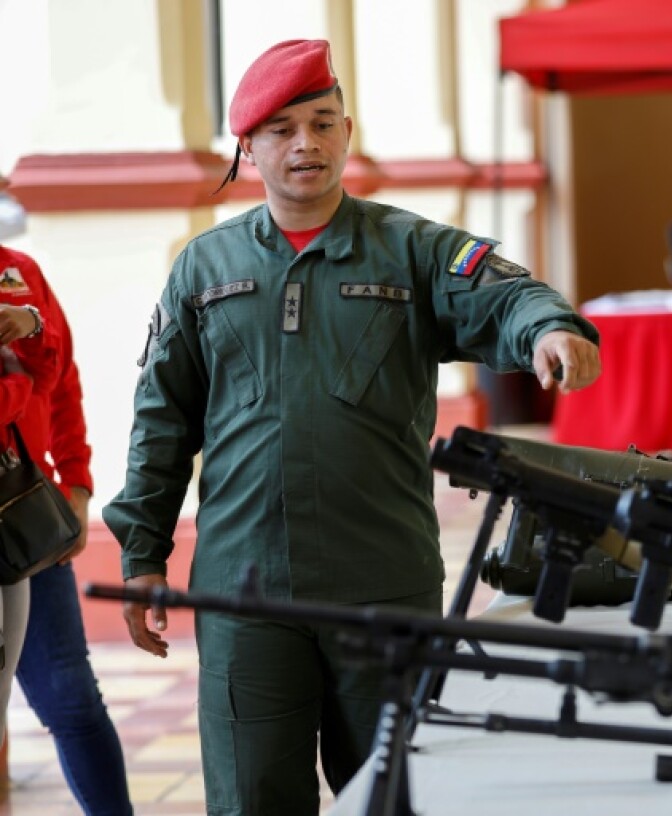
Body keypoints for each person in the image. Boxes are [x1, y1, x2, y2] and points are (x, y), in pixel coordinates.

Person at [101, 39, 601, 814]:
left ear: (347, 131)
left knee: (396, 792)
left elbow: (507, 295)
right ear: (249, 147)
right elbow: (160, 421)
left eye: (323, 122)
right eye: (283, 129)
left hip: (384, 584)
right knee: (251, 795)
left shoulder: (414, 249)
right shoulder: (203, 269)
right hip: (245, 590)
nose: (307, 144)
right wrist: (142, 551)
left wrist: (551, 331)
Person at [0, 173, 133, 815]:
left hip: (24, 522)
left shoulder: (18, 272)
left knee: (72, 700)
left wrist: (76, 484)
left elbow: (63, 381)